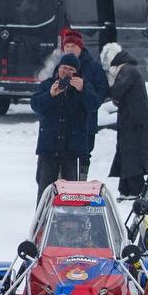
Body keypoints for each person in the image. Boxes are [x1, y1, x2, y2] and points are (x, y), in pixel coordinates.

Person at [31, 53, 97, 200]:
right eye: (64, 68)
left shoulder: (84, 87)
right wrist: (50, 95)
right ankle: (42, 221)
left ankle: (70, 221)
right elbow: (35, 105)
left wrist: (82, 89)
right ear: (58, 68)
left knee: (71, 192)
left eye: (71, 69)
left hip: (72, 151)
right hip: (48, 149)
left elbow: (93, 105)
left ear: (77, 73)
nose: (66, 72)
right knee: (45, 191)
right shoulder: (47, 85)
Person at [101, 42, 148, 199]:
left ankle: (134, 189)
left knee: (132, 155)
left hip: (134, 123)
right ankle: (126, 189)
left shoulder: (128, 70)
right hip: (133, 122)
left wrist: (104, 85)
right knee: (128, 154)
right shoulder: (129, 69)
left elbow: (116, 91)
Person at [58, 29, 108, 180]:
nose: (69, 49)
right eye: (67, 46)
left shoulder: (93, 66)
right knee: (63, 153)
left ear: (80, 47)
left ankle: (82, 179)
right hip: (64, 120)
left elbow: (102, 89)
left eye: (73, 46)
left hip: (86, 119)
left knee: (85, 152)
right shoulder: (60, 67)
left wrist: (92, 100)